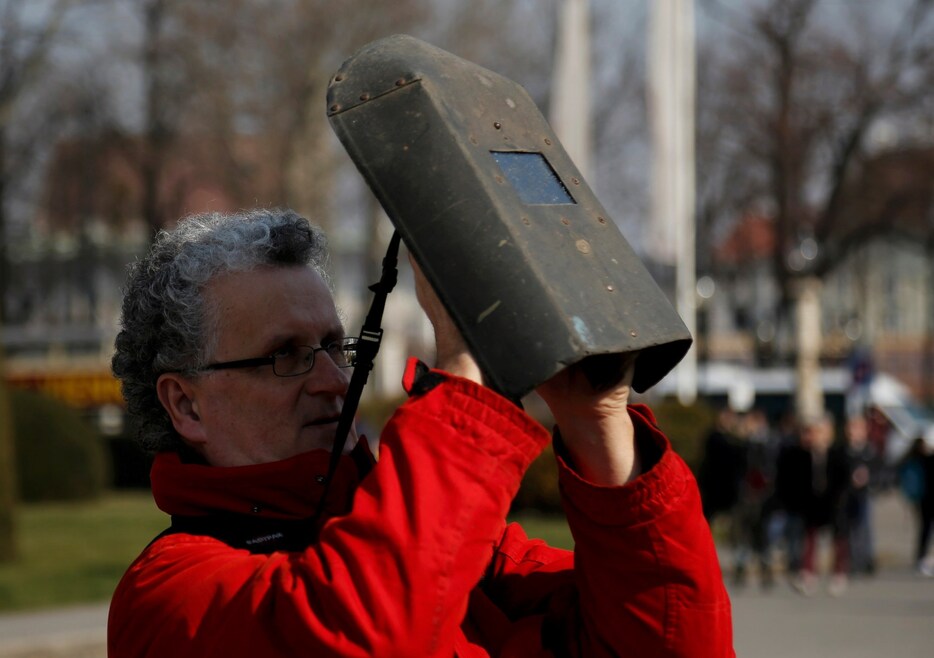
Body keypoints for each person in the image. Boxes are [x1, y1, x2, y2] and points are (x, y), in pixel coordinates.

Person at [107, 208, 734, 657]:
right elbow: (368, 634)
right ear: (185, 404)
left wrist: (597, 421)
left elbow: (675, 637)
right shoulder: (167, 597)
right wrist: (463, 374)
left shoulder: (472, 554)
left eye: (335, 347)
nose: (331, 381)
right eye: (286, 356)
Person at [774, 413, 850, 596]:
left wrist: (840, 498)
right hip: (811, 503)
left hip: (833, 503)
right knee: (809, 539)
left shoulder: (838, 453)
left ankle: (838, 574)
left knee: (838, 539)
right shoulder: (799, 454)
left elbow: (844, 479)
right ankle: (807, 574)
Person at [898, 436, 934, 576]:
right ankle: (921, 556)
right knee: (925, 529)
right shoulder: (926, 459)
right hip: (926, 499)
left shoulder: (912, 459)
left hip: (921, 499)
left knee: (924, 529)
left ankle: (920, 556)